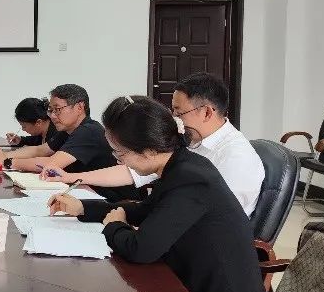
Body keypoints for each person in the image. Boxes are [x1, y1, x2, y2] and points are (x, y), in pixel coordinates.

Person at [48, 95, 269, 292]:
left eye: (120, 153)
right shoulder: (181, 165)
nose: (119, 161)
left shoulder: (191, 179)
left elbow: (141, 249)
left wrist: (114, 226)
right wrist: (83, 208)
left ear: (150, 151)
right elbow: (147, 210)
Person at [43, 73, 265, 216]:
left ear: (207, 112)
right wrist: (71, 177)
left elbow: (215, 217)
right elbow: (133, 173)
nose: (173, 119)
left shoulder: (236, 157)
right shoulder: (190, 142)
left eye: (179, 112)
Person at [0, 84, 137, 201]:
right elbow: (40, 150)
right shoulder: (68, 129)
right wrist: (4, 155)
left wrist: (7, 162)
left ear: (79, 107)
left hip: (111, 198)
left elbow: (51, 163)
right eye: (50, 110)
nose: (52, 116)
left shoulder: (89, 131)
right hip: (83, 189)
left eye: (57, 109)